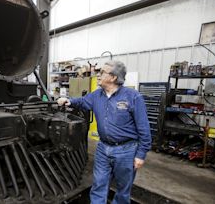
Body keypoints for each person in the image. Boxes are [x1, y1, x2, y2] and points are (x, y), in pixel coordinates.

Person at [57, 60, 151, 204]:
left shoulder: (133, 97)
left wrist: (141, 154)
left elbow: (144, 128)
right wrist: (68, 101)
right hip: (103, 148)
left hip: (126, 151)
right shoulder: (96, 95)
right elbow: (82, 101)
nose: (98, 75)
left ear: (113, 77)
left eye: (102, 72)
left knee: (123, 190)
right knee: (99, 184)